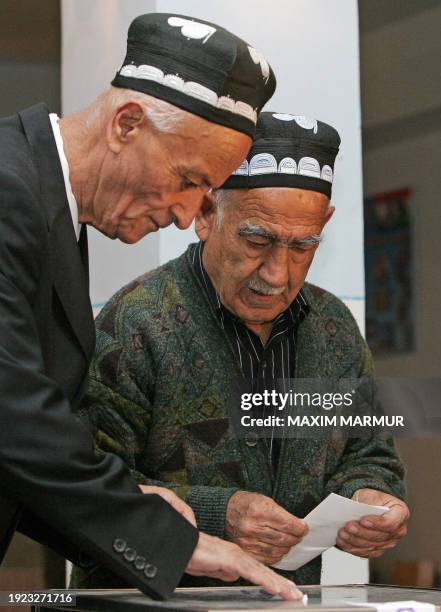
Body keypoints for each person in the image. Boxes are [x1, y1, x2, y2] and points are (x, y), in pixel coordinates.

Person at [0, 11, 305, 601]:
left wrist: (133, 505)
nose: (187, 215)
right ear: (127, 123)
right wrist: (171, 539)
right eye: (188, 180)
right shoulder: (8, 189)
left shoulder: (50, 207)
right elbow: (12, 414)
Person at [72, 112, 409, 588]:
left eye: (302, 246)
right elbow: (80, 490)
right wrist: (217, 514)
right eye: (257, 240)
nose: (277, 274)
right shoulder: (139, 323)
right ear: (207, 215)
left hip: (287, 599)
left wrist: (371, 498)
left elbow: (369, 454)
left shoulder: (334, 330)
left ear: (324, 225)